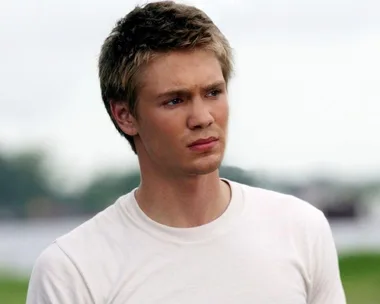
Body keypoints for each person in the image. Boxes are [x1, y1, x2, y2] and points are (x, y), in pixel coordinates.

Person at [26, 1, 346, 303]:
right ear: (125, 115)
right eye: (175, 100)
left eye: (213, 93)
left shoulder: (301, 230)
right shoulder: (72, 270)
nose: (203, 117)